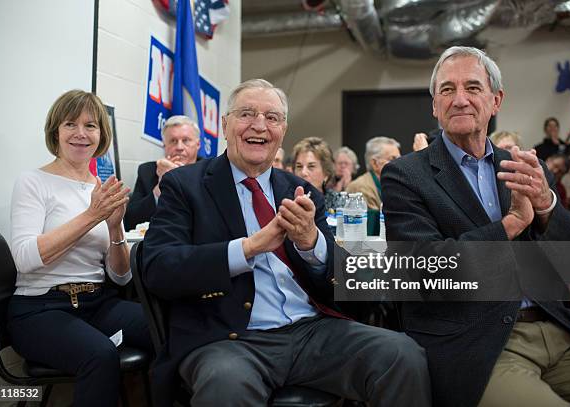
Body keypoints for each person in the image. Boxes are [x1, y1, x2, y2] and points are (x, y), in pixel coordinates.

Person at [142, 79, 431, 407]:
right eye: (247, 114)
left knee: (402, 356)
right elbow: (158, 268)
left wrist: (312, 244)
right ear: (224, 125)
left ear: (283, 130)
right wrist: (248, 248)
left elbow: (345, 280)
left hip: (310, 331)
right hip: (230, 340)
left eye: (272, 117)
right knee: (226, 386)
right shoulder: (185, 185)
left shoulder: (301, 191)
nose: (260, 126)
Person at [381, 46, 570, 407]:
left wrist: (546, 205)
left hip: (558, 329)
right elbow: (424, 270)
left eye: (473, 88)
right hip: (478, 345)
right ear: (434, 105)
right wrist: (508, 226)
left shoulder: (521, 165)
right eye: (447, 90)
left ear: (496, 100)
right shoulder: (405, 174)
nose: (459, 100)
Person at [8, 90, 152, 407]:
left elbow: (122, 277)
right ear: (55, 132)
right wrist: (92, 216)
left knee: (165, 325)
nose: (80, 134)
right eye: (70, 124)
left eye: (90, 125)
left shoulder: (98, 189)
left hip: (95, 303)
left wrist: (115, 226)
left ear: (101, 134)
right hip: (40, 310)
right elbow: (25, 259)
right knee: (99, 356)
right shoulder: (32, 182)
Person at [124, 115, 200, 230]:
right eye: (173, 141)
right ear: (165, 145)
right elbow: (130, 220)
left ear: (198, 145)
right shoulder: (147, 171)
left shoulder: (211, 171)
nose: (179, 147)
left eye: (186, 140)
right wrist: (160, 186)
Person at [347, 136, 400, 234]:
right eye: (393, 159)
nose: (400, 164)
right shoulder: (360, 187)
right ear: (375, 163)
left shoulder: (393, 184)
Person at [292, 137, 340, 211]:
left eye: (311, 166)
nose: (303, 172)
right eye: (299, 166)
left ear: (326, 173)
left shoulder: (338, 203)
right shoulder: (286, 200)